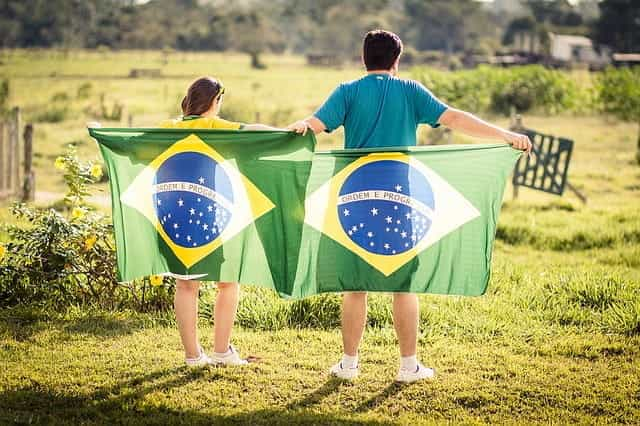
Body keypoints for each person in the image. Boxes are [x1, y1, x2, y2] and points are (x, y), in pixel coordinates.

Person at [288, 30, 531, 383]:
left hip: (352, 200)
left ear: (364, 58)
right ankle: (408, 367)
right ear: (396, 61)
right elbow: (457, 119)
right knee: (404, 284)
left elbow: (314, 126)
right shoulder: (411, 91)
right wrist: (505, 135)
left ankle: (349, 364)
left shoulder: (346, 91)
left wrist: (298, 126)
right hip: (402, 199)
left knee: (354, 285)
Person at [161, 76, 280, 368]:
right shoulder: (214, 126)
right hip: (207, 215)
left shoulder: (167, 128)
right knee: (228, 282)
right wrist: (289, 131)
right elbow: (253, 131)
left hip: (171, 213)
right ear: (215, 102)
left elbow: (135, 145)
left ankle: (192, 356)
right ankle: (221, 351)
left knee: (185, 284)